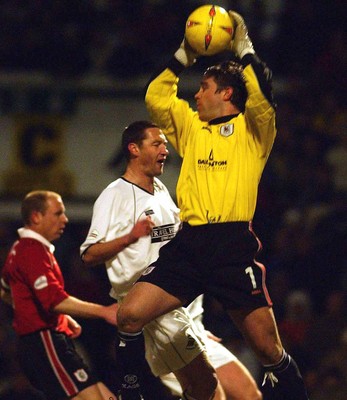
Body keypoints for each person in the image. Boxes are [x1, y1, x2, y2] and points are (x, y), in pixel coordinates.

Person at [115, 11, 309, 400]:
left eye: (204, 86)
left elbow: (260, 93)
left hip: (232, 245)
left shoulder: (256, 130)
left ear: (227, 94)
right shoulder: (191, 128)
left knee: (269, 351)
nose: (196, 93)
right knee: (129, 314)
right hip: (190, 244)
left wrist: (242, 45)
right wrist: (185, 54)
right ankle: (131, 390)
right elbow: (156, 96)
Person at [80, 120, 262, 400]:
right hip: (157, 314)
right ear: (134, 149)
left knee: (248, 395)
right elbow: (89, 254)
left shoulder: (162, 190)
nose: (165, 149)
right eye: (157, 143)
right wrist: (129, 237)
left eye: (165, 143)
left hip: (189, 316)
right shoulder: (113, 196)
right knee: (210, 391)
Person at [0, 190, 118, 400]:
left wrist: (61, 317)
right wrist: (104, 311)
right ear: (36, 216)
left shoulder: (21, 249)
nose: (65, 219)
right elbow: (53, 300)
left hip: (48, 342)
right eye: (58, 213)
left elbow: (6, 290)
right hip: (45, 342)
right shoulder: (31, 251)